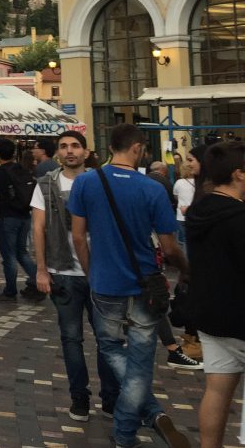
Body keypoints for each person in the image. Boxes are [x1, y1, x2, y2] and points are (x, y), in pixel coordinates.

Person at [69, 123, 190, 448]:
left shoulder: (85, 182)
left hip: (104, 282)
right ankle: (138, 422)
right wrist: (185, 269)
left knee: (109, 348)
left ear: (111, 147)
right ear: (137, 148)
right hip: (144, 285)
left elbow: (78, 236)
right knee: (139, 357)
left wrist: (91, 272)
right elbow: (169, 247)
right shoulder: (151, 189)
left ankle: (135, 424)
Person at [30, 129, 119, 422]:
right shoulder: (45, 185)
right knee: (71, 339)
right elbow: (38, 229)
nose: (69, 151)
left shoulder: (102, 181)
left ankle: (111, 398)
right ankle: (79, 398)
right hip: (63, 272)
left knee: (108, 339)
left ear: (86, 151)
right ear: (57, 152)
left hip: (102, 272)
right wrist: (41, 270)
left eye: (75, 146)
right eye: (64, 146)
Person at [185, 140, 245, 448]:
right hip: (240, 318)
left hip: (211, 317)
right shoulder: (238, 216)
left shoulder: (199, 211)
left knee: (217, 390)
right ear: (239, 174)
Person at [0, 138, 45, 302]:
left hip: (8, 217)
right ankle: (37, 281)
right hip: (25, 215)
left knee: (9, 255)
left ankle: (10, 291)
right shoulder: (22, 169)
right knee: (21, 252)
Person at [173, 155, 199, 253]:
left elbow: (176, 196)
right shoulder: (199, 183)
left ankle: (186, 263)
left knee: (184, 240)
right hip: (195, 214)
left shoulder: (179, 183)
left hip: (181, 216)